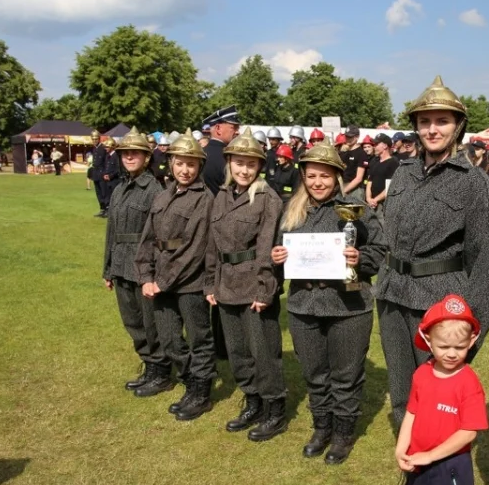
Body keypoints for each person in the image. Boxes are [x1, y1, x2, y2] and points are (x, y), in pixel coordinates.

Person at [373, 76, 489, 485]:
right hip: (393, 297)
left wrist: (468, 331)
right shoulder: (404, 174)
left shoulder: (475, 185)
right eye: (425, 121)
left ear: (458, 127)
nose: (432, 129)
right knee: (403, 398)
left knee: (439, 408)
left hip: (440, 308)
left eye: (441, 121)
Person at [270, 142, 386, 463]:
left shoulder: (356, 208)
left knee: (346, 374)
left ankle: (343, 434)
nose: (317, 182)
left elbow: (382, 249)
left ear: (337, 176)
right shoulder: (292, 210)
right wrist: (277, 256)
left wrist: (360, 258)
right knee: (313, 371)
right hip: (304, 304)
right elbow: (281, 251)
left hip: (348, 305)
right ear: (303, 177)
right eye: (311, 176)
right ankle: (321, 427)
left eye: (324, 175)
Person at [393, 294, 488, 485]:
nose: (451, 354)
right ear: (427, 340)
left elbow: (469, 431)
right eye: (444, 346)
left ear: (472, 341)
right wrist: (402, 445)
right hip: (420, 460)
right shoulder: (421, 374)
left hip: (450, 466)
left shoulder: (468, 382)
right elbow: (412, 412)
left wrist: (431, 455)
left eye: (459, 348)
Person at [204, 128, 287, 441]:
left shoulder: (268, 198)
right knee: (238, 351)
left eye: (251, 164)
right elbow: (213, 245)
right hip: (225, 284)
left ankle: (274, 409)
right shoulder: (222, 196)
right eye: (239, 162)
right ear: (229, 163)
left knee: (263, 351)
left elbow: (267, 245)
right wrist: (210, 284)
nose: (244, 169)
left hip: (254, 283)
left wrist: (265, 289)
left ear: (259, 167)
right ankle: (252, 401)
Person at [135, 129, 216, 421]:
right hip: (159, 281)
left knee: (199, 339)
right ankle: (187, 380)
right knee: (169, 338)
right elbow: (148, 238)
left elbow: (194, 250)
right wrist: (145, 275)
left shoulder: (204, 199)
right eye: (180, 163)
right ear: (170, 163)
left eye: (191, 164)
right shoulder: (163, 194)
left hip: (189, 284)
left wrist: (161, 282)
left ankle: (201, 392)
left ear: (199, 167)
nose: (185, 169)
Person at [102, 127, 173, 399]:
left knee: (151, 322)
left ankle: (161, 372)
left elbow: (159, 236)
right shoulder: (120, 189)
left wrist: (152, 274)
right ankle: (149, 365)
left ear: (147, 156)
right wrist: (107, 268)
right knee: (132, 321)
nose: (129, 157)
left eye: (136, 153)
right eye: (125, 153)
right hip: (120, 265)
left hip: (142, 267)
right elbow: (111, 232)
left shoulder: (155, 189)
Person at [202, 105, 240, 196]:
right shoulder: (229, 158)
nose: (238, 132)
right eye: (234, 127)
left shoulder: (200, 153)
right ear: (218, 128)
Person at [365, 133, 399, 221]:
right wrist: (369, 198)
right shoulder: (375, 161)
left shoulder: (393, 163)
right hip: (371, 203)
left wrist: (375, 200)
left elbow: (390, 186)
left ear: (384, 146)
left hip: (384, 205)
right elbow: (370, 181)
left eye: (376, 144)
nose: (374, 147)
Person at [342, 129, 370, 200]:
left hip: (356, 190)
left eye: (350, 137)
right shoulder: (345, 153)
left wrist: (344, 190)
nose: (348, 139)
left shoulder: (361, 154)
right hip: (344, 186)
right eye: (346, 136)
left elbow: (359, 178)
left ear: (357, 137)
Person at [89, 130, 108, 216]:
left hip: (102, 172)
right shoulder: (94, 148)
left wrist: (105, 173)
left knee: (104, 192)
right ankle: (102, 209)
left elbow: (106, 162)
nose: (94, 140)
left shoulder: (103, 148)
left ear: (99, 139)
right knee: (98, 193)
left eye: (96, 139)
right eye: (93, 139)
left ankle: (107, 209)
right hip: (95, 172)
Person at [101, 140, 121, 216]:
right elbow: (106, 167)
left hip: (114, 180)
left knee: (114, 196)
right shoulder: (107, 156)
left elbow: (117, 169)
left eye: (107, 147)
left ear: (112, 147)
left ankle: (114, 212)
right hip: (107, 180)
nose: (105, 148)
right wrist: (104, 174)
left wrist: (110, 176)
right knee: (107, 195)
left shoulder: (116, 156)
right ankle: (107, 210)